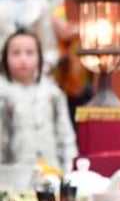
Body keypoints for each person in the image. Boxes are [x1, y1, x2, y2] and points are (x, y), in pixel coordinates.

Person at [0, 30, 77, 169]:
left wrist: (69, 170)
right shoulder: (3, 93)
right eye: (16, 53)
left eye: (30, 53)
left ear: (40, 57)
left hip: (51, 172)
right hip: (12, 174)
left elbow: (65, 137)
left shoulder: (53, 94)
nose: (23, 59)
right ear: (5, 57)